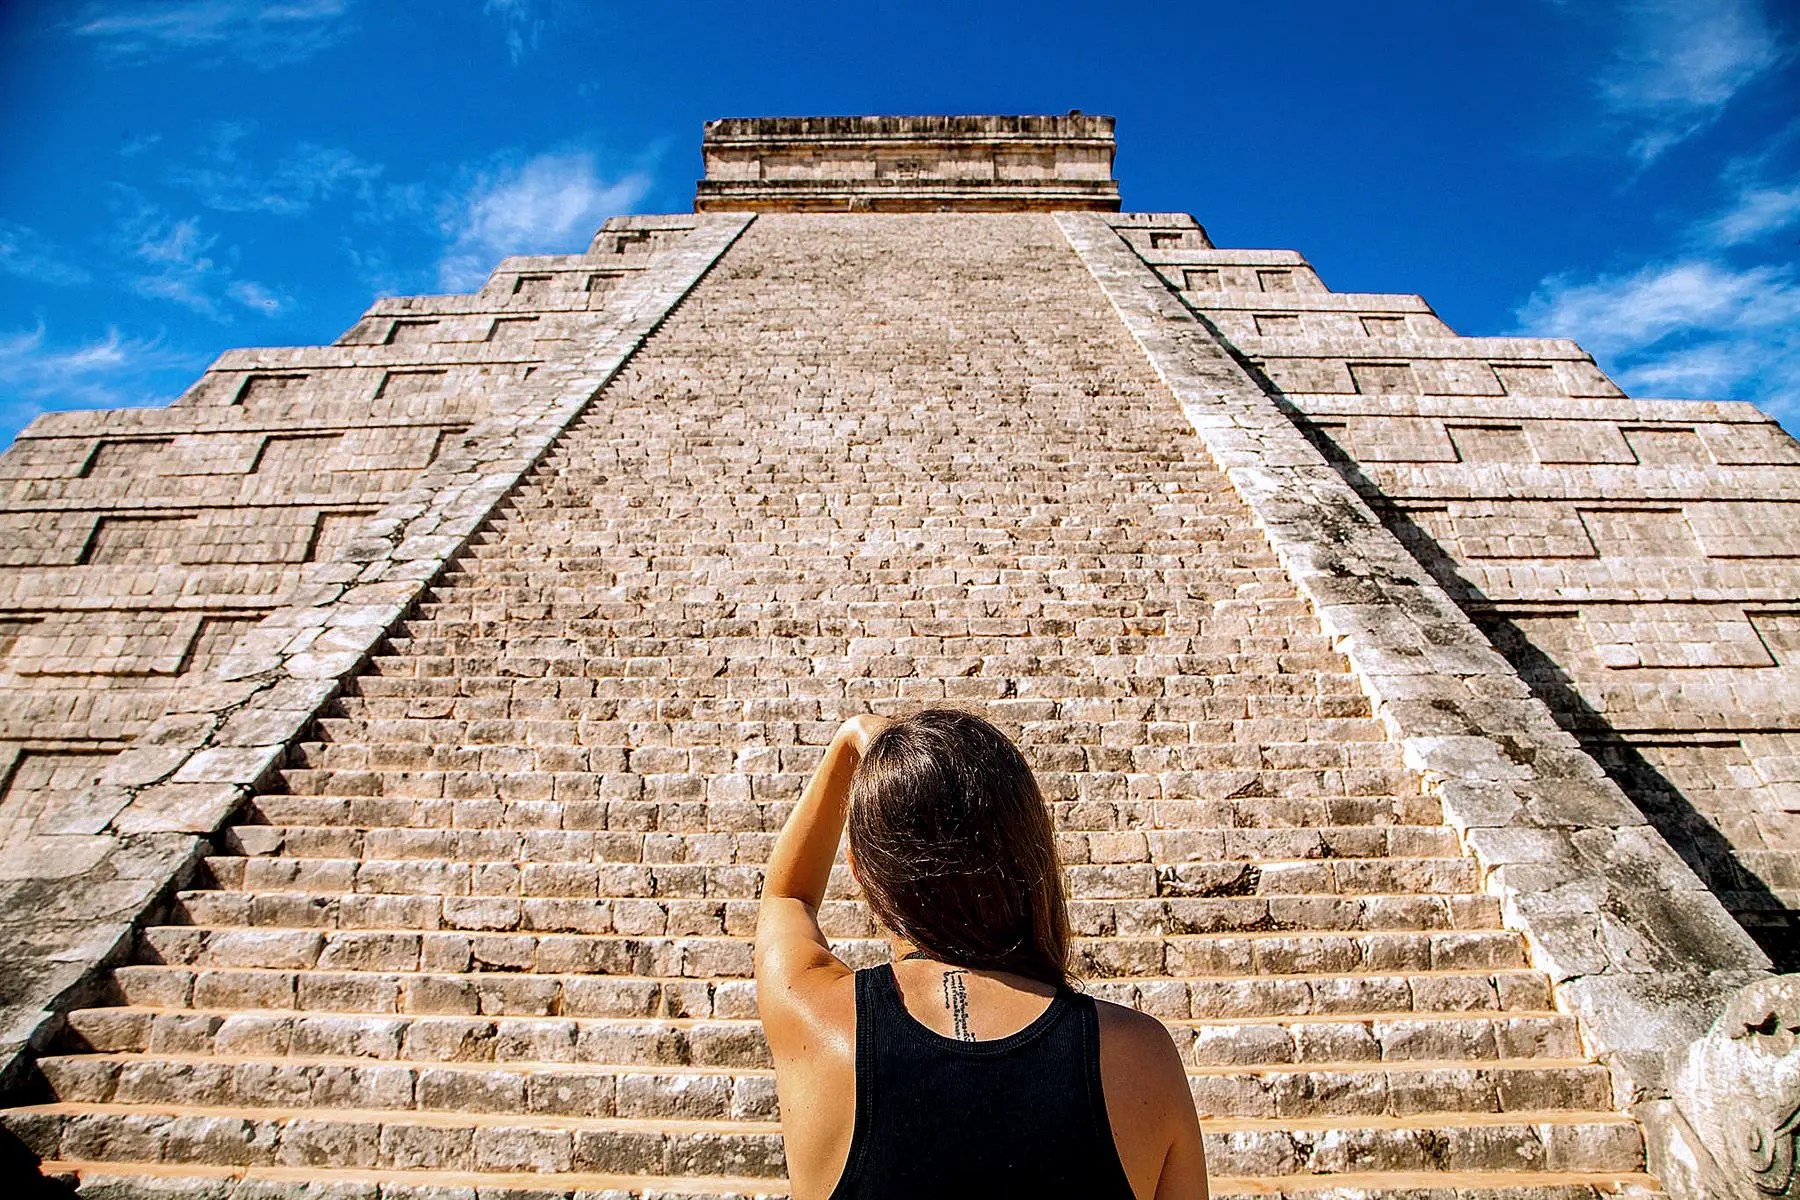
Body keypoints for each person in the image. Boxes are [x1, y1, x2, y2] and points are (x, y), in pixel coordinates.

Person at [754, 708, 1210, 1199]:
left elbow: (788, 897)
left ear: (862, 872)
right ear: (1029, 852)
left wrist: (848, 746)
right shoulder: (1141, 1057)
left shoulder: (815, 1020)